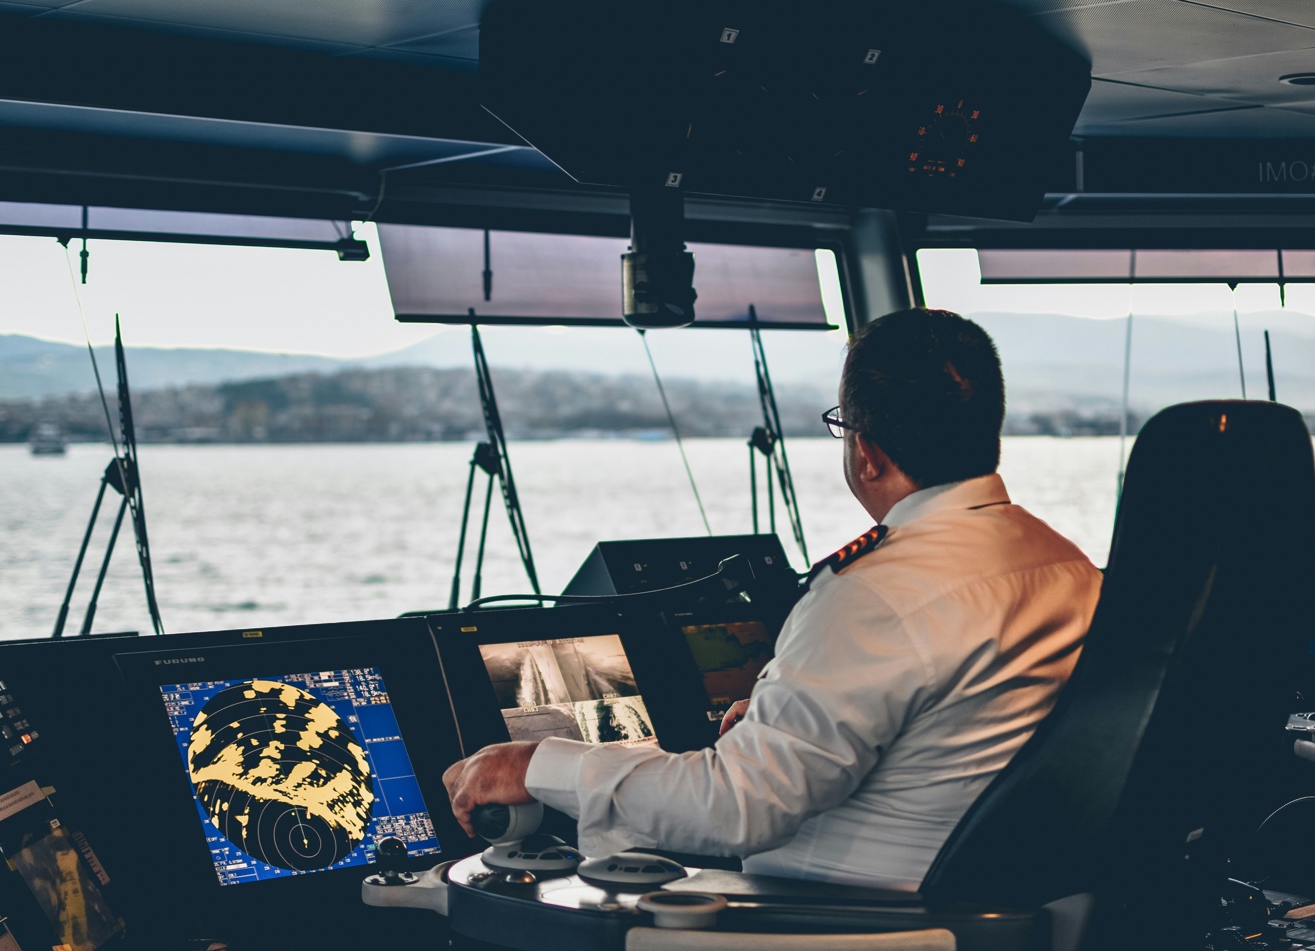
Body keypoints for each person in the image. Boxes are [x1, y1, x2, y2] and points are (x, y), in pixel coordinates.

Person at [443, 307, 1103, 890]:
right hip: (999, 914)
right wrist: (778, 720)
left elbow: (738, 808)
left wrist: (541, 764)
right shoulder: (1068, 567)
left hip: (851, 937)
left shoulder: (874, 594)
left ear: (867, 453)